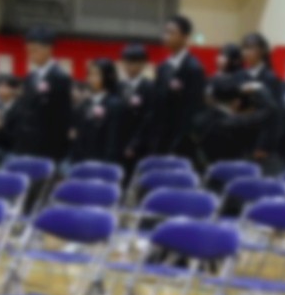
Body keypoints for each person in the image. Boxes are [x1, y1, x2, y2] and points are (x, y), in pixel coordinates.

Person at [149, 15, 205, 157]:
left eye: (171, 32)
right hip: (159, 135)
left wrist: (182, 139)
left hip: (181, 139)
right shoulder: (162, 67)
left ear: (185, 37)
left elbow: (194, 108)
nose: (166, 36)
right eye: (165, 32)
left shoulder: (194, 68)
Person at [192, 76, 277, 168]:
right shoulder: (233, 123)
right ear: (236, 102)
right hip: (236, 171)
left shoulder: (200, 119)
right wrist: (259, 88)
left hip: (206, 171)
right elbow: (270, 110)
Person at [14, 26, 72, 161]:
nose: (31, 54)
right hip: (26, 141)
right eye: (28, 51)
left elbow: (62, 116)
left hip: (48, 144)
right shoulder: (30, 77)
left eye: (35, 50)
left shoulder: (59, 77)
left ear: (48, 49)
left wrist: (59, 149)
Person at [238, 33, 281, 166]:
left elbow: (273, 115)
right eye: (244, 48)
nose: (246, 52)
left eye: (251, 48)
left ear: (262, 51)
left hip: (259, 143)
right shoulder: (241, 75)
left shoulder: (270, 78)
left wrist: (263, 145)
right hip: (241, 137)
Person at [70, 59, 123, 163]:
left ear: (108, 76)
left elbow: (113, 140)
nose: (91, 78)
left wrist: (107, 165)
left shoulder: (115, 105)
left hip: (104, 162)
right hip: (83, 160)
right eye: (90, 74)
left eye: (96, 75)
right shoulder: (84, 104)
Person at [119, 44, 153, 178]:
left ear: (142, 64)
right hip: (120, 143)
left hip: (140, 145)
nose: (129, 66)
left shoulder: (149, 88)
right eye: (126, 62)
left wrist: (134, 144)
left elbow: (148, 119)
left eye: (133, 63)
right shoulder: (119, 86)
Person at [0, 74, 22, 165]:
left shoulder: (20, 108)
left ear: (15, 89)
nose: (0, 90)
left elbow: (17, 137)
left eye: (4, 87)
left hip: (12, 149)